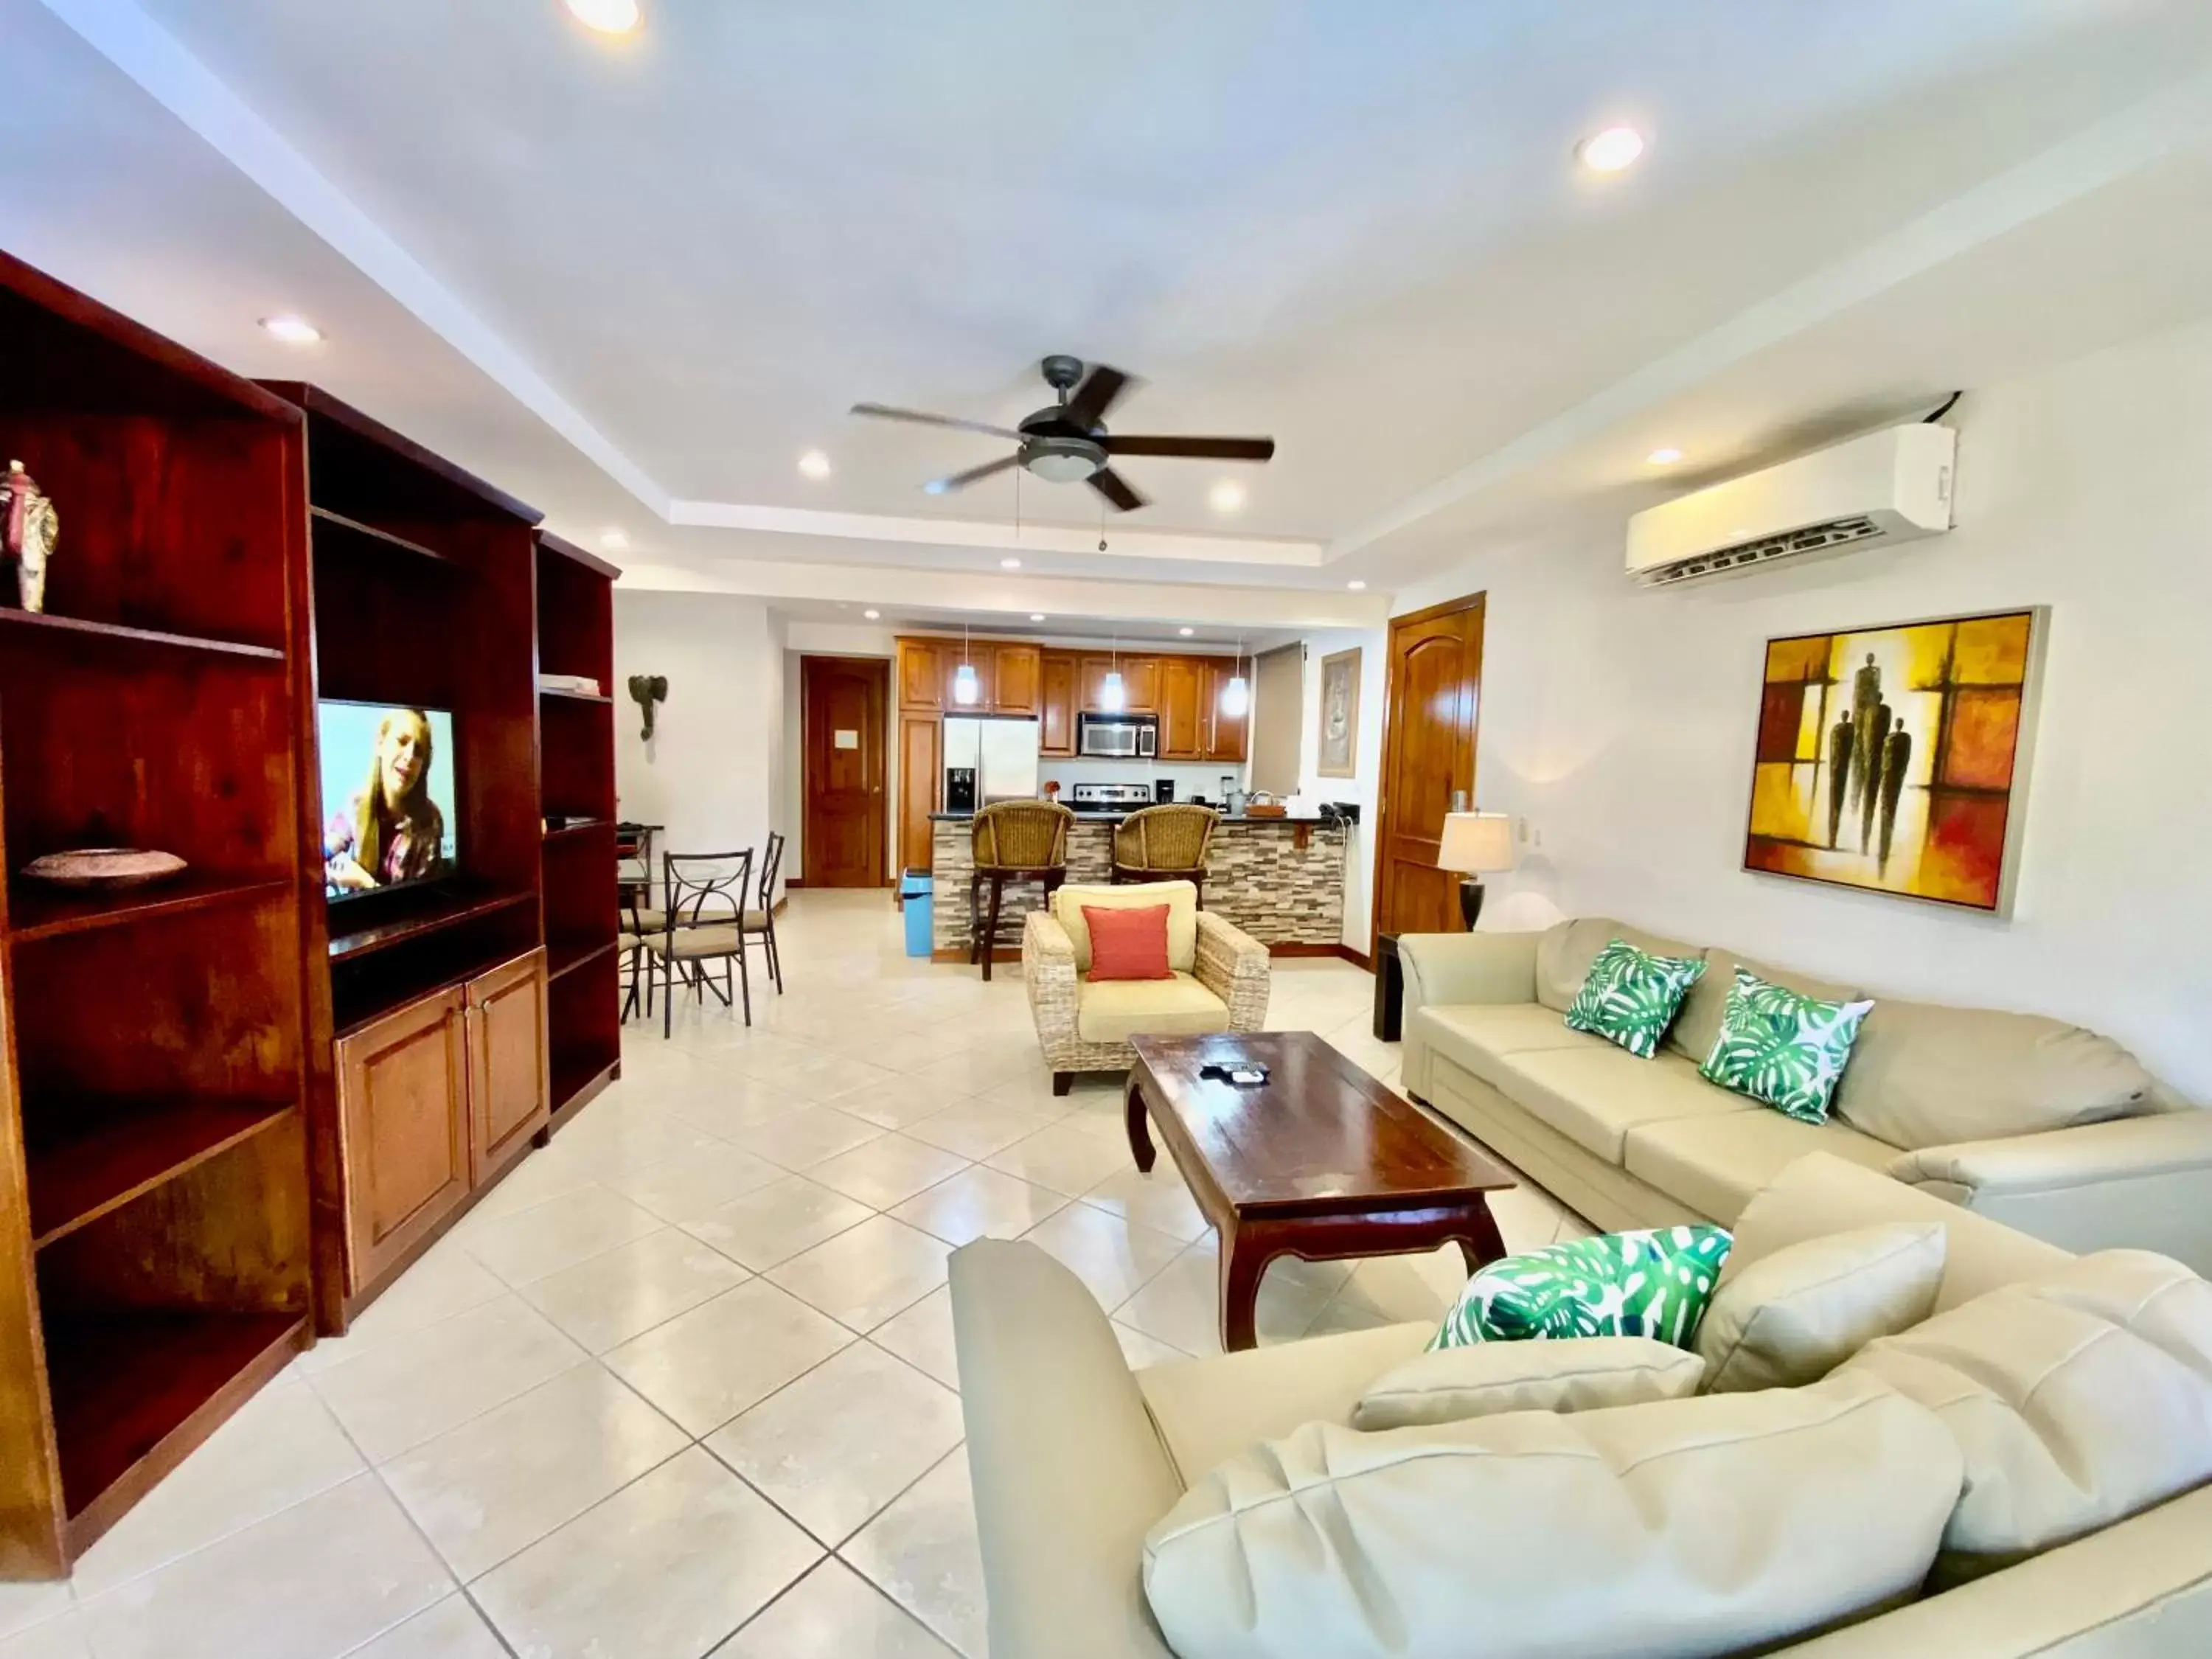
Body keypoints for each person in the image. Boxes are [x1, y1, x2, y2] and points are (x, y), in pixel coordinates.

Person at [326, 709, 447, 894]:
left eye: (418, 751)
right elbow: (325, 850)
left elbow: (422, 906)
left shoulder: (430, 821)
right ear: (380, 743)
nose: (409, 757)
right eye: (402, 742)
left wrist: (365, 883)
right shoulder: (356, 805)